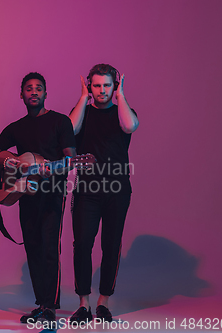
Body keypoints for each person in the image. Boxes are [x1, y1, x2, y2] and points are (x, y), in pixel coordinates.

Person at [0, 72, 76, 324]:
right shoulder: (16, 127)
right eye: (29, 88)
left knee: (49, 247)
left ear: (46, 93)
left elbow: (70, 160)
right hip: (25, 193)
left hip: (52, 193)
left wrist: (54, 167)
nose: (34, 92)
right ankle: (41, 304)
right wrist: (11, 160)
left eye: (39, 88)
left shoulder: (60, 122)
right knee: (33, 247)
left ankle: (50, 306)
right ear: (22, 95)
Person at [68, 64, 139, 323]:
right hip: (87, 189)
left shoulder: (123, 112)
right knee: (83, 244)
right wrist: (82, 98)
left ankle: (103, 302)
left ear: (115, 85)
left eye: (107, 85)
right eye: (96, 85)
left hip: (117, 190)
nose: (101, 90)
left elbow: (130, 126)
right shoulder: (83, 113)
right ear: (90, 85)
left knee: (111, 245)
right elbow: (70, 130)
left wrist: (121, 96)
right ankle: (84, 303)